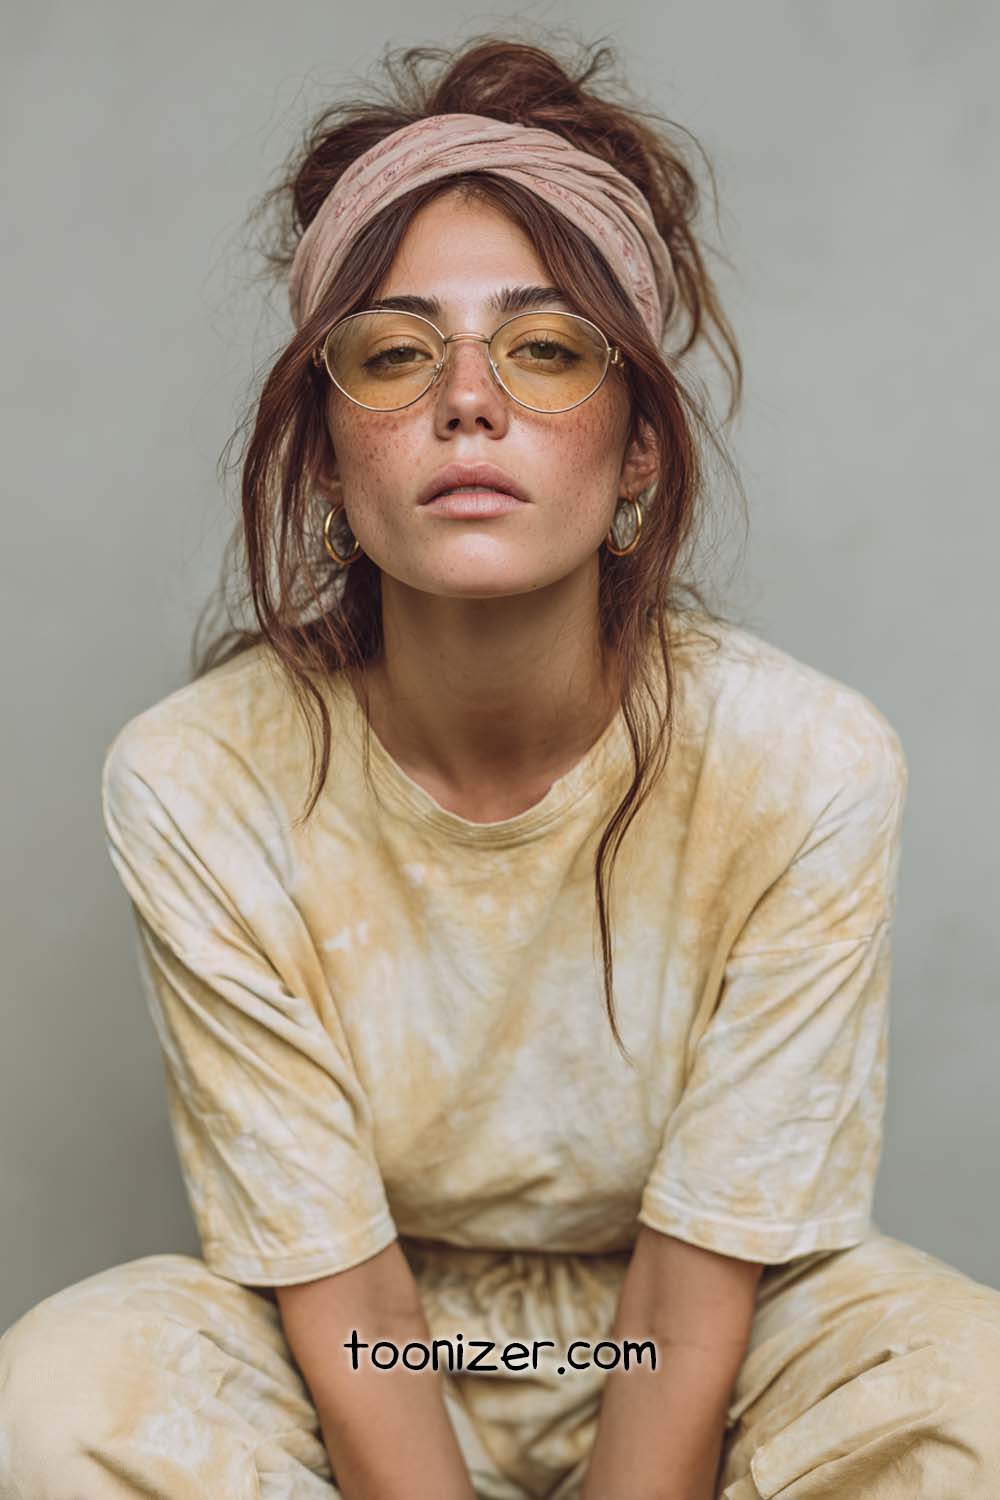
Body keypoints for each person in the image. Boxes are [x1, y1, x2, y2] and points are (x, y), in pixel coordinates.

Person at [2, 33, 999, 1500]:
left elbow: (690, 1297)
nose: (468, 402)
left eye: (545, 349)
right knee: (61, 1400)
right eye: (395, 354)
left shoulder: (803, 764)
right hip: (369, 1348)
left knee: (973, 1398)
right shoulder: (200, 779)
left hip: (698, 1346)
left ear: (640, 448)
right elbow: (347, 1300)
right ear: (327, 458)